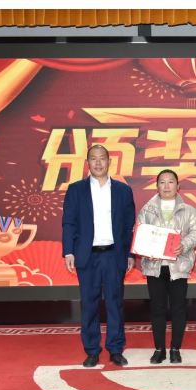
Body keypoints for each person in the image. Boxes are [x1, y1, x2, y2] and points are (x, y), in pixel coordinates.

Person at [62, 144, 136, 367]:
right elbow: (69, 222)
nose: (98, 162)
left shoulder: (123, 190)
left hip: (114, 255)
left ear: (109, 161)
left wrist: (130, 253)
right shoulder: (76, 189)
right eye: (93, 158)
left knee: (115, 304)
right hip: (87, 256)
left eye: (102, 158)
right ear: (87, 163)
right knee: (89, 304)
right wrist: (68, 251)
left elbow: (129, 226)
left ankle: (115, 349)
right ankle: (92, 350)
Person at [136, 169, 196, 364]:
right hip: (154, 266)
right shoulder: (147, 209)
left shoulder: (188, 209)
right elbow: (139, 232)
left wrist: (185, 244)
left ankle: (175, 349)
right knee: (157, 309)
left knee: (178, 309)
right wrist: (145, 248)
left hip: (178, 266)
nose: (166, 186)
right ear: (157, 186)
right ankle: (159, 349)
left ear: (178, 186)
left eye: (171, 182)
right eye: (162, 182)